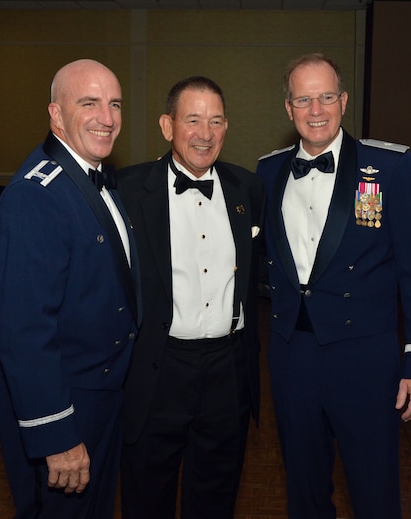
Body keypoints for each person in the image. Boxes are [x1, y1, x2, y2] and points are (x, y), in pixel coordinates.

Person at [255, 53, 411, 519]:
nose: (315, 109)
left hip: (365, 356)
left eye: (325, 97)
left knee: (374, 487)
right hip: (291, 355)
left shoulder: (389, 166)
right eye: (303, 99)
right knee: (303, 487)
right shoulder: (267, 172)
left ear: (343, 101)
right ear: (288, 108)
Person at [0, 58, 140, 519]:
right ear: (55, 114)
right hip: (66, 405)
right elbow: (25, 332)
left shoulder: (92, 180)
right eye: (89, 103)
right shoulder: (36, 196)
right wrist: (57, 436)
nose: (107, 117)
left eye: (114, 104)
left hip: (100, 396)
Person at [116, 76, 264, 519]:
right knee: (147, 498)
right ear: (167, 126)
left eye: (216, 121)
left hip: (227, 370)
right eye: (193, 120)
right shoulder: (126, 190)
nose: (205, 133)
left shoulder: (248, 190)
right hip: (157, 369)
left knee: (216, 500)